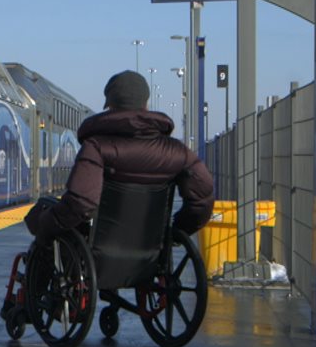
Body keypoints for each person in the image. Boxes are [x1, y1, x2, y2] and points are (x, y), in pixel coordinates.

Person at [24, 70, 215, 242]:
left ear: (110, 105)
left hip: (99, 253)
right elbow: (202, 198)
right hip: (152, 250)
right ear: (146, 103)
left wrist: (45, 223)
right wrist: (176, 230)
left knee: (45, 212)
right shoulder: (178, 152)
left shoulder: (96, 147)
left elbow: (81, 203)